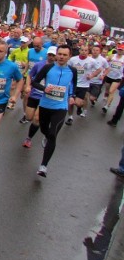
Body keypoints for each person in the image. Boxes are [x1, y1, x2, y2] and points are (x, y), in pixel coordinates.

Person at [30, 44, 77, 178]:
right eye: (59, 54)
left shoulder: (72, 71)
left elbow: (74, 85)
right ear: (56, 54)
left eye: (64, 55)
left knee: (52, 134)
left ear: (69, 57)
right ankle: (45, 135)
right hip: (45, 105)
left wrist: (72, 97)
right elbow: (34, 82)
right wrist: (44, 89)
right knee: (44, 129)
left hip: (61, 107)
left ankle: (43, 166)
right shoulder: (48, 67)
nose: (61, 57)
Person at [21, 46, 57, 148]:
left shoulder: (57, 69)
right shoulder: (39, 65)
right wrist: (28, 86)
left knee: (36, 119)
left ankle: (28, 139)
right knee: (29, 117)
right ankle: (43, 122)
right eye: (49, 55)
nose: (51, 57)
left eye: (53, 55)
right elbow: (30, 75)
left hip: (45, 97)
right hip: (34, 94)